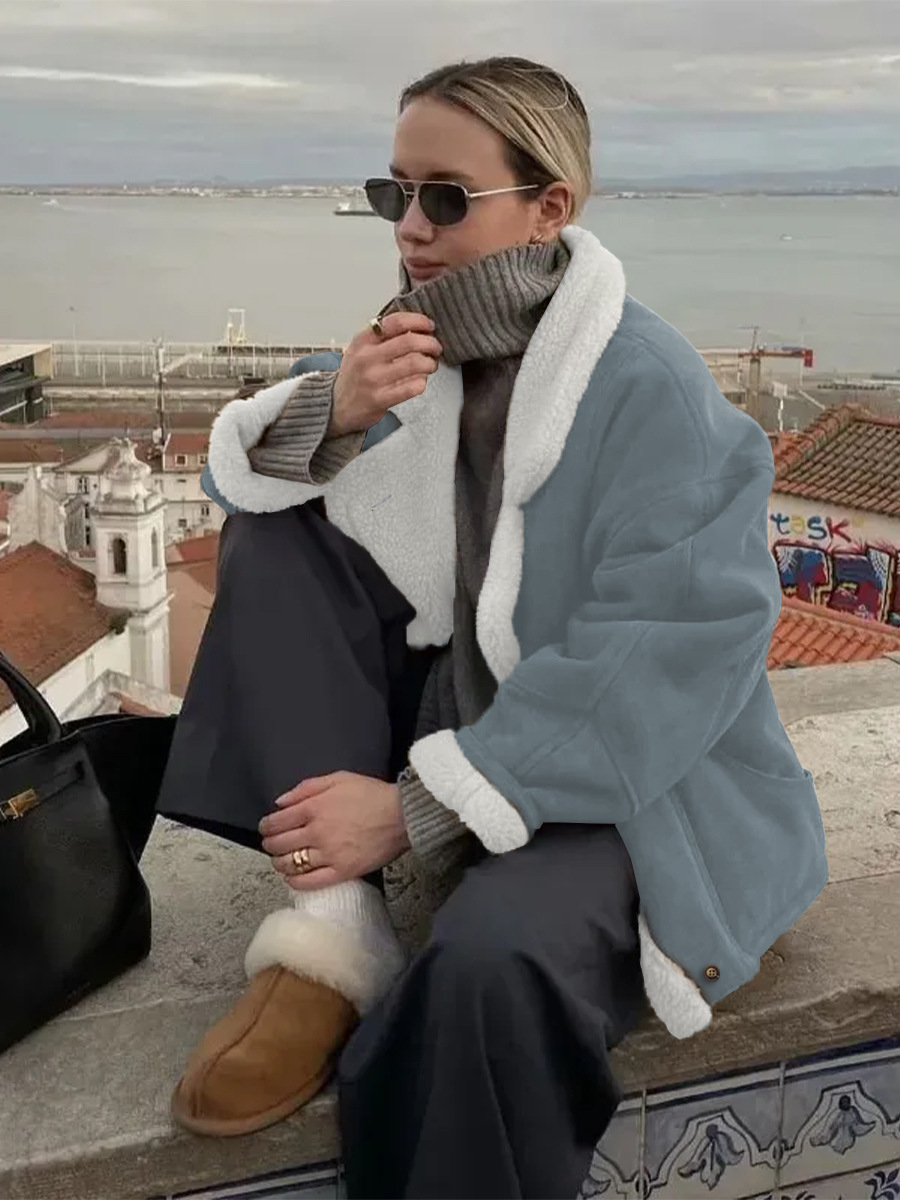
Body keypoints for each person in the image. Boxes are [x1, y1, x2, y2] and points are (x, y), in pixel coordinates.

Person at [157, 56, 828, 1200]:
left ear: (550, 206)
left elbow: (668, 654)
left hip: (635, 783)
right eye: (394, 192)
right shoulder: (413, 350)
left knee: (488, 967)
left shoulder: (648, 389)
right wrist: (338, 409)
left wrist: (413, 807)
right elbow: (250, 482)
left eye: (446, 197)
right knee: (276, 524)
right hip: (470, 723)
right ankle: (333, 933)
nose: (410, 227)